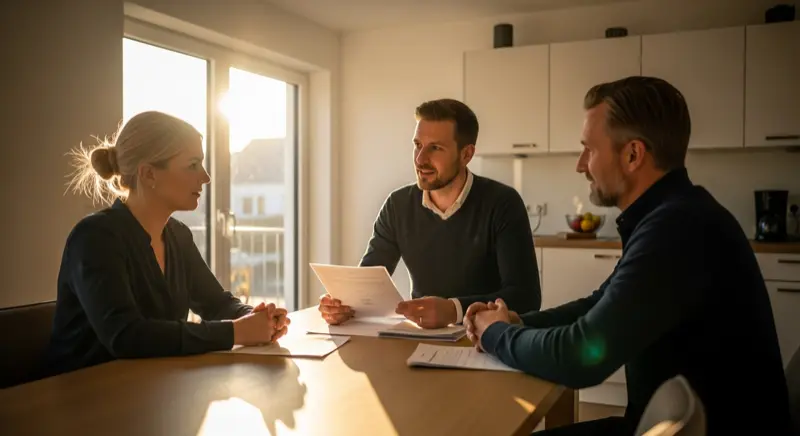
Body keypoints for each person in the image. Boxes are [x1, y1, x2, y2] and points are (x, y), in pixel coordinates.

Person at [464, 77, 792, 435]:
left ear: (633, 154)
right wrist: (518, 323)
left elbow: (581, 356)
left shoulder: (678, 228)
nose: (580, 165)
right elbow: (598, 304)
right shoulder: (675, 215)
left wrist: (496, 334)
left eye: (589, 149)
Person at [41, 111, 290, 378]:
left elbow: (215, 303)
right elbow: (126, 336)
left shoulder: (178, 236)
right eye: (193, 165)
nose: (205, 177)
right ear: (149, 174)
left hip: (148, 388)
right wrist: (236, 332)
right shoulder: (94, 238)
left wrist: (256, 317)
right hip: (80, 393)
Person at [319, 98, 541, 329]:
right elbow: (366, 285)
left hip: (488, 337)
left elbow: (526, 298)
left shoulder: (503, 203)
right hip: (420, 336)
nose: (420, 159)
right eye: (418, 145)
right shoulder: (398, 205)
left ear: (466, 154)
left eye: (435, 148)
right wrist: (343, 305)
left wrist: (454, 310)